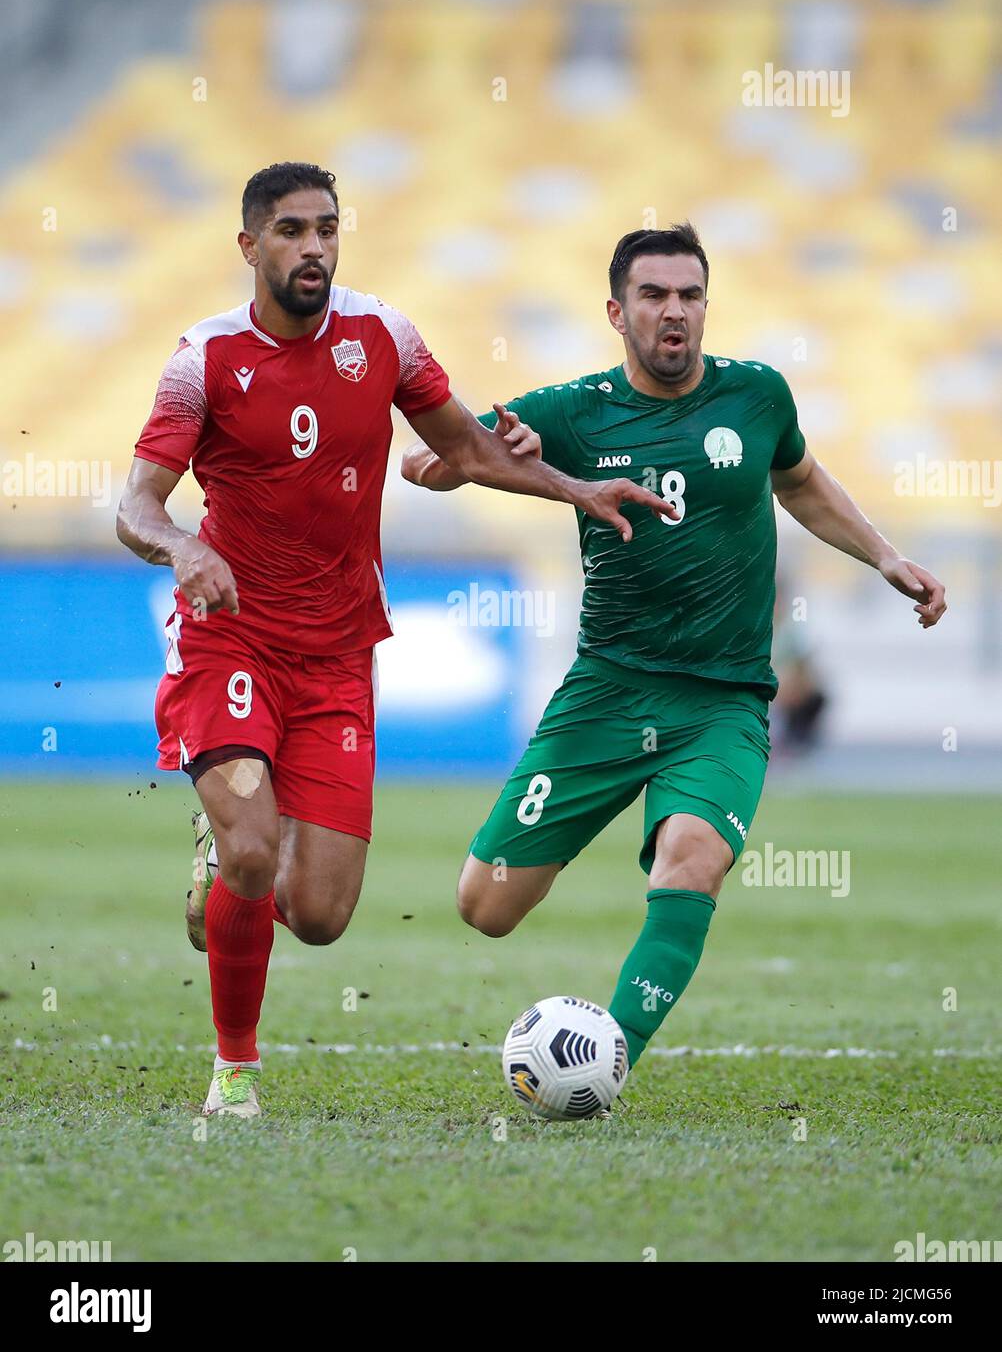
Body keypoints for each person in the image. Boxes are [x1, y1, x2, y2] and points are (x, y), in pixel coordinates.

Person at [115, 163, 673, 1118]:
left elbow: (463, 447)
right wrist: (180, 548)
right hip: (232, 639)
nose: (315, 249)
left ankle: (225, 876)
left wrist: (576, 489)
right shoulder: (201, 360)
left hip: (338, 655)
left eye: (328, 228)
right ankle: (234, 1074)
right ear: (250, 247)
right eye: (291, 231)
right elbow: (136, 504)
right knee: (255, 849)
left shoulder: (383, 336)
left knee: (323, 917)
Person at [402, 223, 947, 1074]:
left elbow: (800, 480)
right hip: (609, 690)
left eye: (690, 295)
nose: (675, 313)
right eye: (654, 296)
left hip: (723, 700)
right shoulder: (572, 410)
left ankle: (604, 1060)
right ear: (617, 311)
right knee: (486, 904)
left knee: (692, 859)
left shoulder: (758, 395)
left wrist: (884, 555)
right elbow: (434, 461)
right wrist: (486, 463)